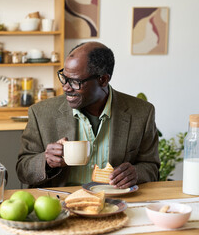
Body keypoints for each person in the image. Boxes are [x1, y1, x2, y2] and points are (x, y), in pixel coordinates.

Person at [16, 42, 160, 189]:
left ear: (103, 80)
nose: (66, 87)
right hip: (60, 203)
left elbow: (151, 167)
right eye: (64, 77)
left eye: (75, 81)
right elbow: (23, 170)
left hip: (116, 202)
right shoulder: (41, 113)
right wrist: (46, 162)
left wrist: (136, 173)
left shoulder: (141, 113)